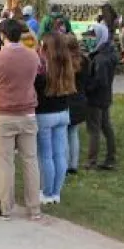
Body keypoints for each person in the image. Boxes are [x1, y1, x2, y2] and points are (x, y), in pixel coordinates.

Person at [0, 19, 42, 221]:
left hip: (4, 113)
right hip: (28, 113)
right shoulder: (33, 56)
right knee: (30, 160)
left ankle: (4, 206)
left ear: (2, 35)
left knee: (4, 161)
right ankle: (34, 208)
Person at [35, 33, 76, 205]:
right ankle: (56, 193)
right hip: (63, 113)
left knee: (46, 156)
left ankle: (47, 192)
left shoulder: (42, 68)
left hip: (45, 114)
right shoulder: (67, 66)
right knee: (59, 154)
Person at [84, 24, 118, 170]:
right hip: (105, 97)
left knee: (94, 129)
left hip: (96, 98)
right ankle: (111, 157)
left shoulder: (100, 59)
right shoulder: (108, 53)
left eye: (92, 37)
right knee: (106, 126)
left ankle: (92, 161)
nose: (89, 40)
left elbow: (99, 81)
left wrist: (86, 88)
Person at [65, 34, 89, 175]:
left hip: (67, 99)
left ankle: (66, 163)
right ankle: (73, 164)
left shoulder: (64, 62)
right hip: (80, 99)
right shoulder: (85, 60)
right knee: (73, 133)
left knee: (64, 134)